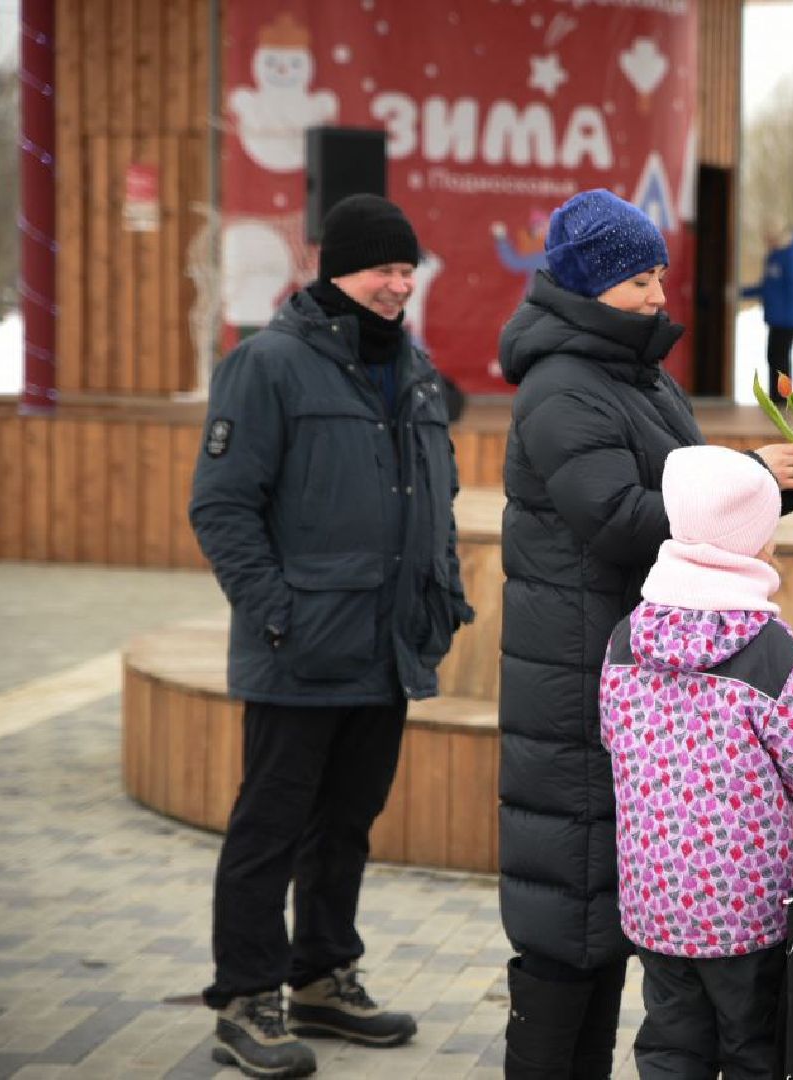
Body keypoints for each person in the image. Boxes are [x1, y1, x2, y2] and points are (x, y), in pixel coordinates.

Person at [495, 189, 793, 1079]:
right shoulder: (563, 387)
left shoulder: (632, 374)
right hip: (577, 676)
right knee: (567, 924)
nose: (657, 295)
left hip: (634, 673)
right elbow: (621, 518)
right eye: (638, 279)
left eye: (658, 276)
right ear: (588, 284)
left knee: (610, 924)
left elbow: (684, 504)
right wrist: (756, 477)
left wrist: (767, 490)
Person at [189, 193, 475, 1079]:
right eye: (384, 268)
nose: (399, 284)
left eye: (406, 268)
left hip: (384, 649)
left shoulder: (417, 371)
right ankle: (246, 994)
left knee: (346, 824)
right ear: (336, 270)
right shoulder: (269, 364)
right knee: (269, 829)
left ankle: (320, 973)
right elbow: (222, 506)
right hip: (299, 647)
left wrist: (440, 597)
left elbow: (437, 499)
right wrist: (276, 612)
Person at [600, 444, 793, 1079]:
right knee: (755, 1048)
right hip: (748, 909)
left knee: (671, 1048)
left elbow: (613, 741)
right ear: (754, 544)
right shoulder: (769, 649)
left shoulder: (626, 638)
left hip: (656, 900)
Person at [740, 222, 793, 404]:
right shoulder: (777, 258)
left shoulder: (790, 259)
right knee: (775, 357)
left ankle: (782, 399)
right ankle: (777, 397)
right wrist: (742, 293)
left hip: (786, 319)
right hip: (778, 317)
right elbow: (768, 288)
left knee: (779, 358)